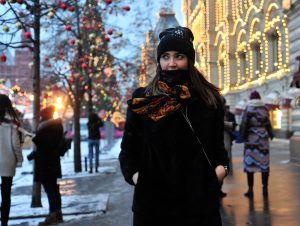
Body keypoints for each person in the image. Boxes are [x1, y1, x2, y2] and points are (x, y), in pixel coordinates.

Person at [119, 26, 229, 226]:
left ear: (189, 60)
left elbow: (217, 148)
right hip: (152, 206)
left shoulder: (208, 99)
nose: (171, 63)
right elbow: (128, 149)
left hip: (199, 205)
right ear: (159, 61)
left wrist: (220, 171)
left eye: (179, 56)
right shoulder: (144, 99)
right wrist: (138, 178)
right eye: (165, 57)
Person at [27, 105, 64, 225]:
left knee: (50, 189)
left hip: (46, 163)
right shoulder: (56, 126)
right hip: (52, 162)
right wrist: (34, 154)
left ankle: (53, 214)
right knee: (53, 188)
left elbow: (45, 146)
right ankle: (57, 213)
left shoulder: (48, 128)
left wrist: (35, 139)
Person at [239, 90, 274, 198]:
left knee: (250, 165)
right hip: (263, 139)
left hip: (251, 140)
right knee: (264, 164)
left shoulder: (248, 109)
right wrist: (271, 134)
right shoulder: (265, 109)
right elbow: (268, 123)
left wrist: (242, 136)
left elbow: (244, 124)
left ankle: (250, 189)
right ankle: (265, 189)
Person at [0, 94, 23, 226]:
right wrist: (19, 159)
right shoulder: (12, 122)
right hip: (7, 161)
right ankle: (4, 222)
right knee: (6, 193)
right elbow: (15, 143)